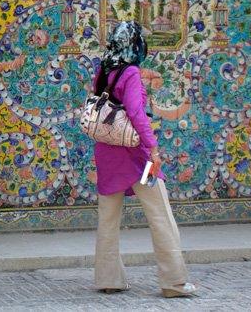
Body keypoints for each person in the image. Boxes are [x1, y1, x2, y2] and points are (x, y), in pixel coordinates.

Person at [92, 21, 197, 298]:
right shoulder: (131, 73)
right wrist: (153, 149)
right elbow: (137, 114)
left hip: (106, 153)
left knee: (108, 218)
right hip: (137, 157)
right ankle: (174, 282)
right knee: (160, 215)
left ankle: (108, 278)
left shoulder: (103, 70)